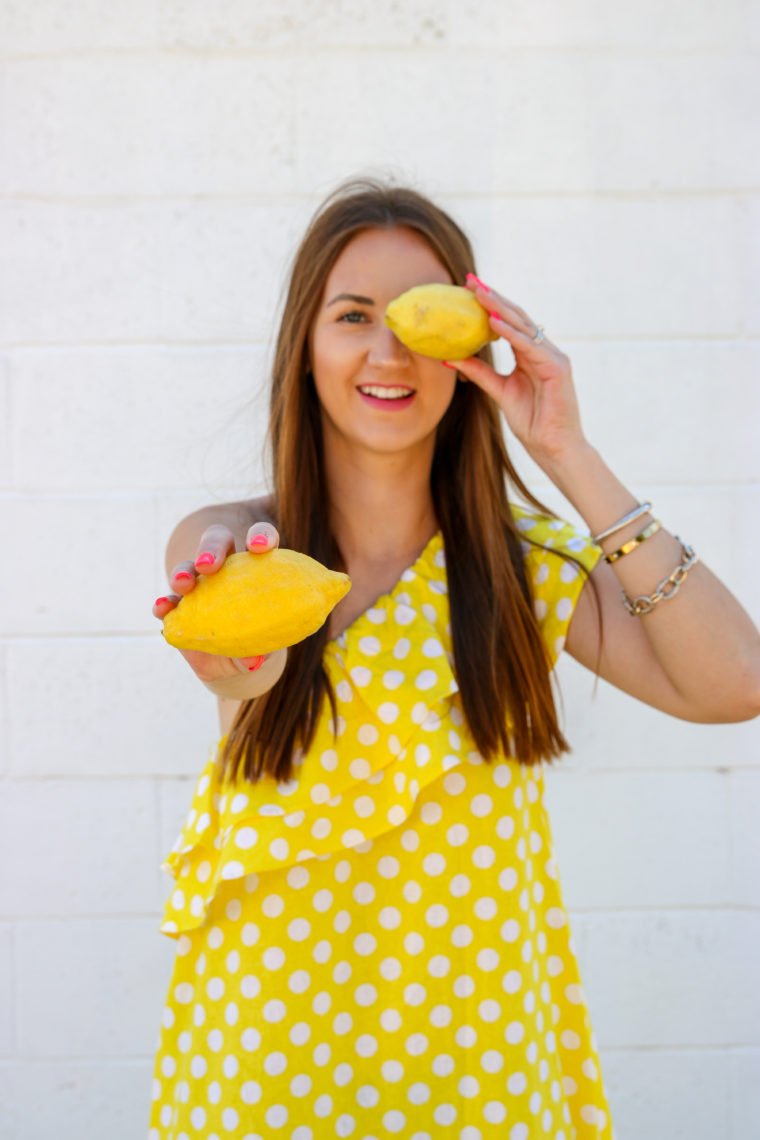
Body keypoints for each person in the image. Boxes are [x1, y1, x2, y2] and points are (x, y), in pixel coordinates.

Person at [148, 178, 760, 1140]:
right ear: (304, 346)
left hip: (478, 1064)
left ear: (467, 344)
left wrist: (567, 450)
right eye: (352, 315)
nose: (389, 350)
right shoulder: (243, 550)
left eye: (415, 317)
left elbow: (735, 684)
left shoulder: (526, 569)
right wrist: (237, 658)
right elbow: (240, 651)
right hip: (268, 1060)